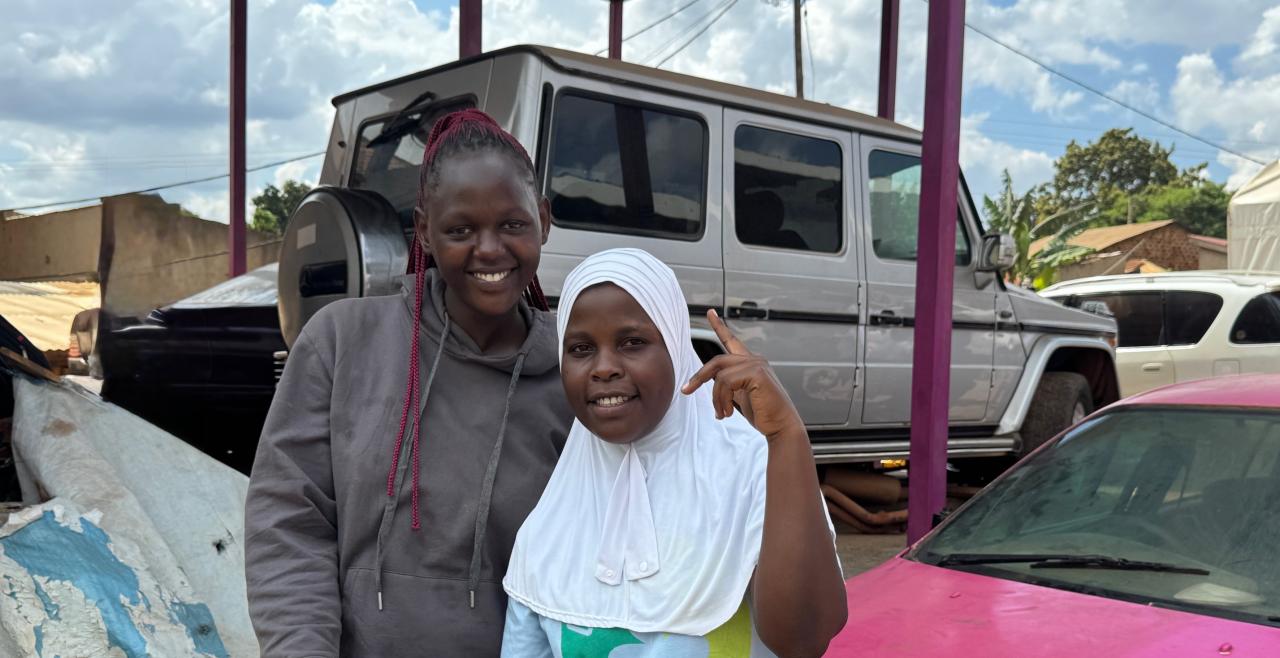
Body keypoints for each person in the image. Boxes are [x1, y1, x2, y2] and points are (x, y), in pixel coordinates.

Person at [244, 109, 574, 657]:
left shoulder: (578, 371)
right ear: (423, 230)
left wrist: (735, 418)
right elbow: (289, 522)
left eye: (513, 224)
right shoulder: (341, 341)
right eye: (460, 230)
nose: (489, 249)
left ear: (542, 219)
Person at [502, 248, 847, 658]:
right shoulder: (551, 523)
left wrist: (787, 438)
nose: (604, 367)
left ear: (678, 350)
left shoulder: (754, 472)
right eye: (580, 348)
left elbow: (803, 641)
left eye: (633, 342)